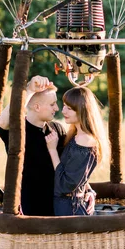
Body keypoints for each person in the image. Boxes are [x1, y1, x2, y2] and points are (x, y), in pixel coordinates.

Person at [0, 76, 66, 216]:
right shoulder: (17, 130)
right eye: (52, 104)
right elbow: (3, 122)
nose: (57, 108)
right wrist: (29, 90)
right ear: (37, 107)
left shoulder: (57, 129)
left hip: (58, 205)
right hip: (29, 207)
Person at [45, 86, 107, 216]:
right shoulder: (77, 135)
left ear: (82, 110)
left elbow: (65, 184)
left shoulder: (84, 140)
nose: (63, 111)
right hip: (66, 205)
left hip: (70, 209)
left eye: (69, 108)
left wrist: (52, 150)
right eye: (64, 106)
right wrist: (88, 189)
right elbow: (77, 174)